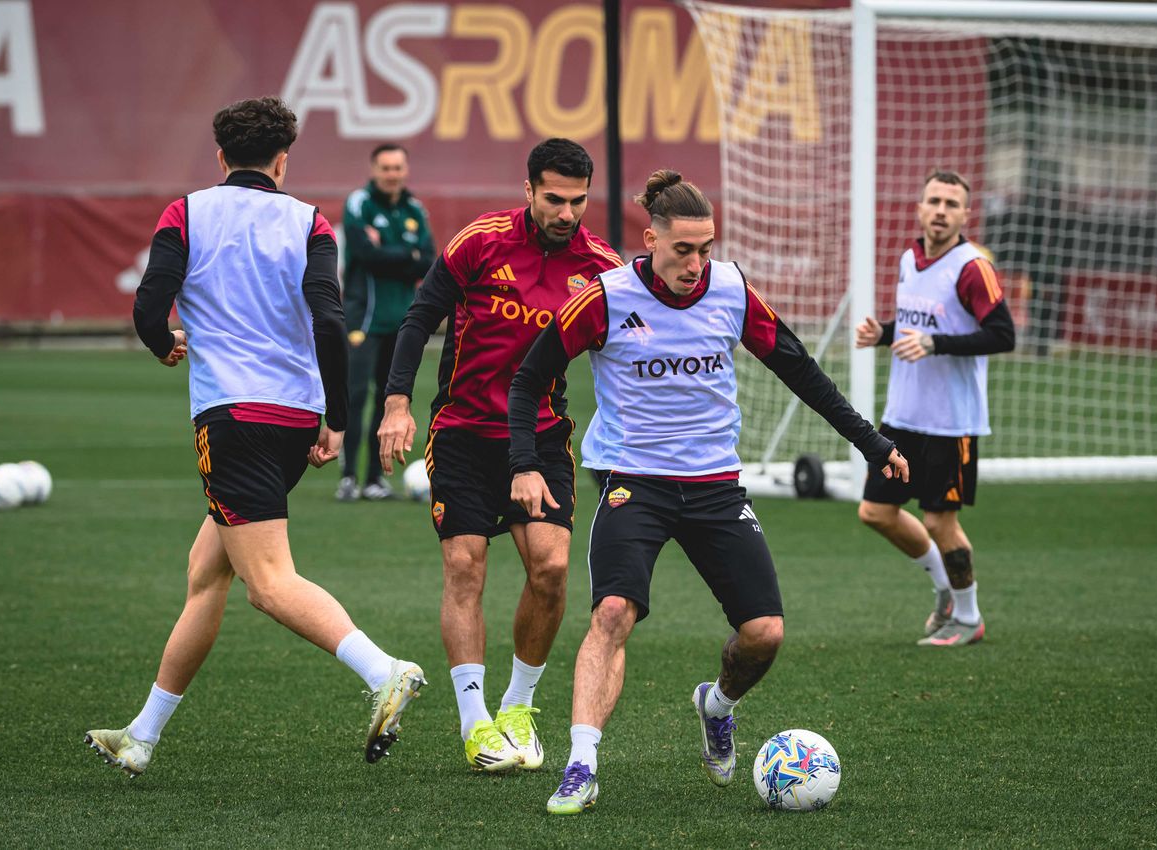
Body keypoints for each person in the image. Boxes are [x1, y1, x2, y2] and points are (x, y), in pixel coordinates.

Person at [508, 170, 907, 815]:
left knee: (765, 634)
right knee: (612, 614)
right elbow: (527, 383)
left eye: (706, 248)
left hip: (716, 486)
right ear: (651, 240)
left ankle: (716, 704)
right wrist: (524, 464)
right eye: (683, 250)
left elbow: (800, 370)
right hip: (632, 482)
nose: (696, 264)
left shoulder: (731, 290)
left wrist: (872, 443)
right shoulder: (604, 298)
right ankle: (582, 764)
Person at [87, 97, 425, 778]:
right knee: (206, 571)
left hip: (233, 419)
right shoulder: (310, 221)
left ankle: (385, 670)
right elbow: (329, 323)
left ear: (220, 157)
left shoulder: (186, 212)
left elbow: (150, 305)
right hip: (294, 417)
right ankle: (142, 735)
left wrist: (163, 342)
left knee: (268, 585)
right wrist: (334, 418)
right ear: (282, 160)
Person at [376, 139, 622, 773]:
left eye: (578, 201)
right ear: (528, 190)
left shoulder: (600, 265)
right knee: (466, 565)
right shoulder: (479, 243)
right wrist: (397, 405)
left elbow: (628, 357)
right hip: (461, 430)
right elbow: (418, 318)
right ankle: (474, 723)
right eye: (554, 199)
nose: (566, 213)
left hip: (541, 436)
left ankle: (516, 706)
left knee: (552, 570)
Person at [854, 169, 1015, 647]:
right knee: (875, 512)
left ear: (966, 214)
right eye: (934, 201)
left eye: (951, 203)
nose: (941, 211)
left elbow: (1002, 334)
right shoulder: (910, 259)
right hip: (903, 416)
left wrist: (934, 343)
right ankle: (945, 588)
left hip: (951, 423)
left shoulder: (972, 268)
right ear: (920, 208)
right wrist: (884, 333)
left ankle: (968, 617)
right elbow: (916, 324)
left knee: (939, 522)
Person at [336, 143, 435, 502]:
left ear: (405, 171)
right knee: (356, 395)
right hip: (363, 317)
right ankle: (348, 477)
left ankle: (376, 479)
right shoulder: (359, 203)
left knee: (388, 398)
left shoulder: (414, 209)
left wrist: (392, 254)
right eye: (386, 168)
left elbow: (427, 261)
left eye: (397, 168)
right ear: (374, 169)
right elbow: (365, 254)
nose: (392, 174)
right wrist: (403, 254)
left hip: (402, 320)